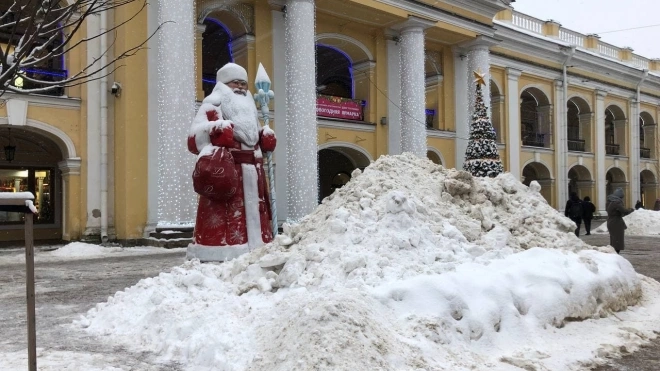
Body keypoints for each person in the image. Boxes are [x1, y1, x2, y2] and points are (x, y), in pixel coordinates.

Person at [186, 62, 277, 262]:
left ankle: (258, 247)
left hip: (254, 174)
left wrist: (264, 138)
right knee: (226, 216)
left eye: (244, 84)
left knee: (255, 212)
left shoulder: (250, 109)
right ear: (224, 85)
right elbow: (193, 140)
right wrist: (215, 130)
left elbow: (251, 139)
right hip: (227, 174)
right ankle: (219, 254)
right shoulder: (213, 104)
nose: (241, 88)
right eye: (236, 83)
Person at [606, 187, 633, 254]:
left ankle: (614, 252)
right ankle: (616, 253)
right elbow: (624, 211)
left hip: (611, 221)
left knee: (613, 238)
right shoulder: (617, 202)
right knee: (617, 239)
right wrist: (630, 210)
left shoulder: (610, 201)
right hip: (616, 222)